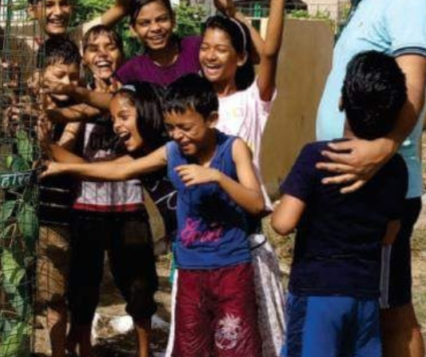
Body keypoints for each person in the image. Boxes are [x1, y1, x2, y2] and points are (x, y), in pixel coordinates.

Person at [44, 74, 267, 357]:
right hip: (191, 267)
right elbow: (116, 170)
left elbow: (257, 204)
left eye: (185, 127)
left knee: (232, 343)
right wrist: (59, 162)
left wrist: (216, 177)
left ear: (211, 119)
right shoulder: (169, 150)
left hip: (231, 265)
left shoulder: (223, 147)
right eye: (172, 128)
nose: (177, 135)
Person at [313, 0, 426, 357]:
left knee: (391, 309)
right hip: (356, 179)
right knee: (367, 303)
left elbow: (412, 87)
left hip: (382, 184)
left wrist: (381, 149)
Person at [272, 51, 410, 357]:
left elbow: (282, 223)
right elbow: (389, 235)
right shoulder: (396, 168)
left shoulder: (315, 157)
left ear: (341, 101)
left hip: (317, 293)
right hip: (365, 296)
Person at [199, 0, 294, 357]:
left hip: (244, 233)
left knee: (255, 333)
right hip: (203, 235)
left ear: (239, 58)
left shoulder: (253, 100)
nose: (210, 55)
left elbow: (269, 53)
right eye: (205, 47)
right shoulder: (193, 105)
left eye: (221, 49)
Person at [43, 27, 160, 357]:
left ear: (122, 52)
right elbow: (71, 126)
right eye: (94, 48)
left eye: (111, 46)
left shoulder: (132, 94)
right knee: (83, 288)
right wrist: (45, 118)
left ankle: (144, 351)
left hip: (129, 207)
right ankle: (83, 346)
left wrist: (74, 96)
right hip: (86, 209)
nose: (103, 54)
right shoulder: (75, 100)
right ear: (84, 57)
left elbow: (106, 105)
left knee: (140, 286)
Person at [35, 36, 85, 357]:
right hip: (21, 213)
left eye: (74, 76)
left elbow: (64, 149)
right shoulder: (22, 101)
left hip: (56, 216)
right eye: (60, 74)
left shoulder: (75, 110)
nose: (68, 82)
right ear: (40, 73)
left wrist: (44, 142)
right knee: (20, 292)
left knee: (54, 297)